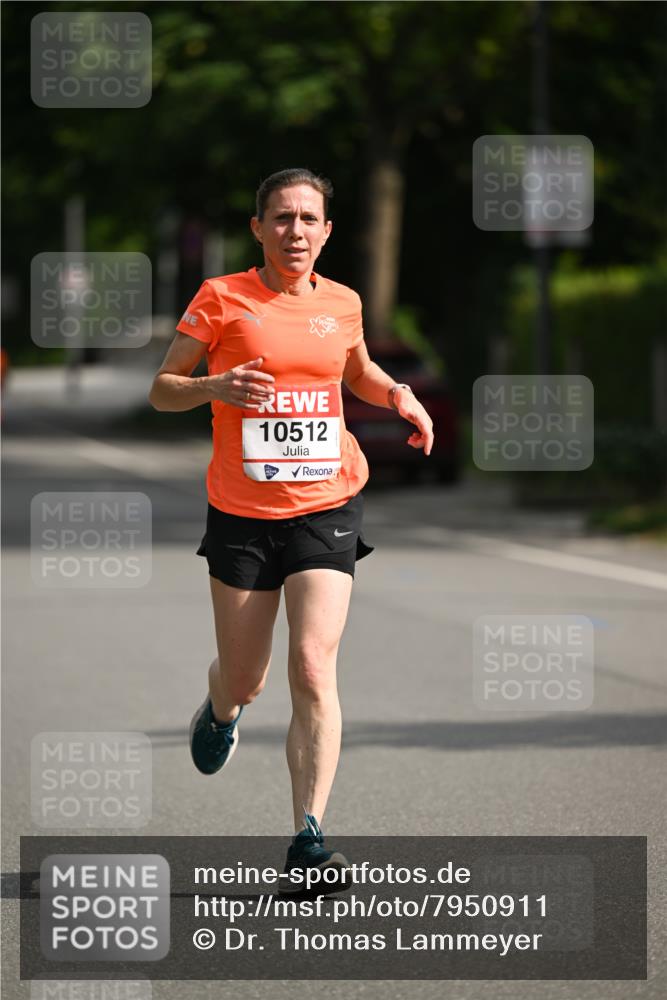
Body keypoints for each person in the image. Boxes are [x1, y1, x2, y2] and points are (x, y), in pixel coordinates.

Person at [148, 168, 434, 891]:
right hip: (242, 512)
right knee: (247, 676)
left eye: (309, 219)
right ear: (258, 228)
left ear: (327, 230)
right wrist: (215, 385)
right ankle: (220, 708)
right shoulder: (220, 299)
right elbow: (163, 388)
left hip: (326, 502)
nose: (296, 231)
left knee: (313, 665)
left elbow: (358, 370)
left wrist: (398, 396)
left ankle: (308, 839)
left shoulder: (342, 302)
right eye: (281, 218)